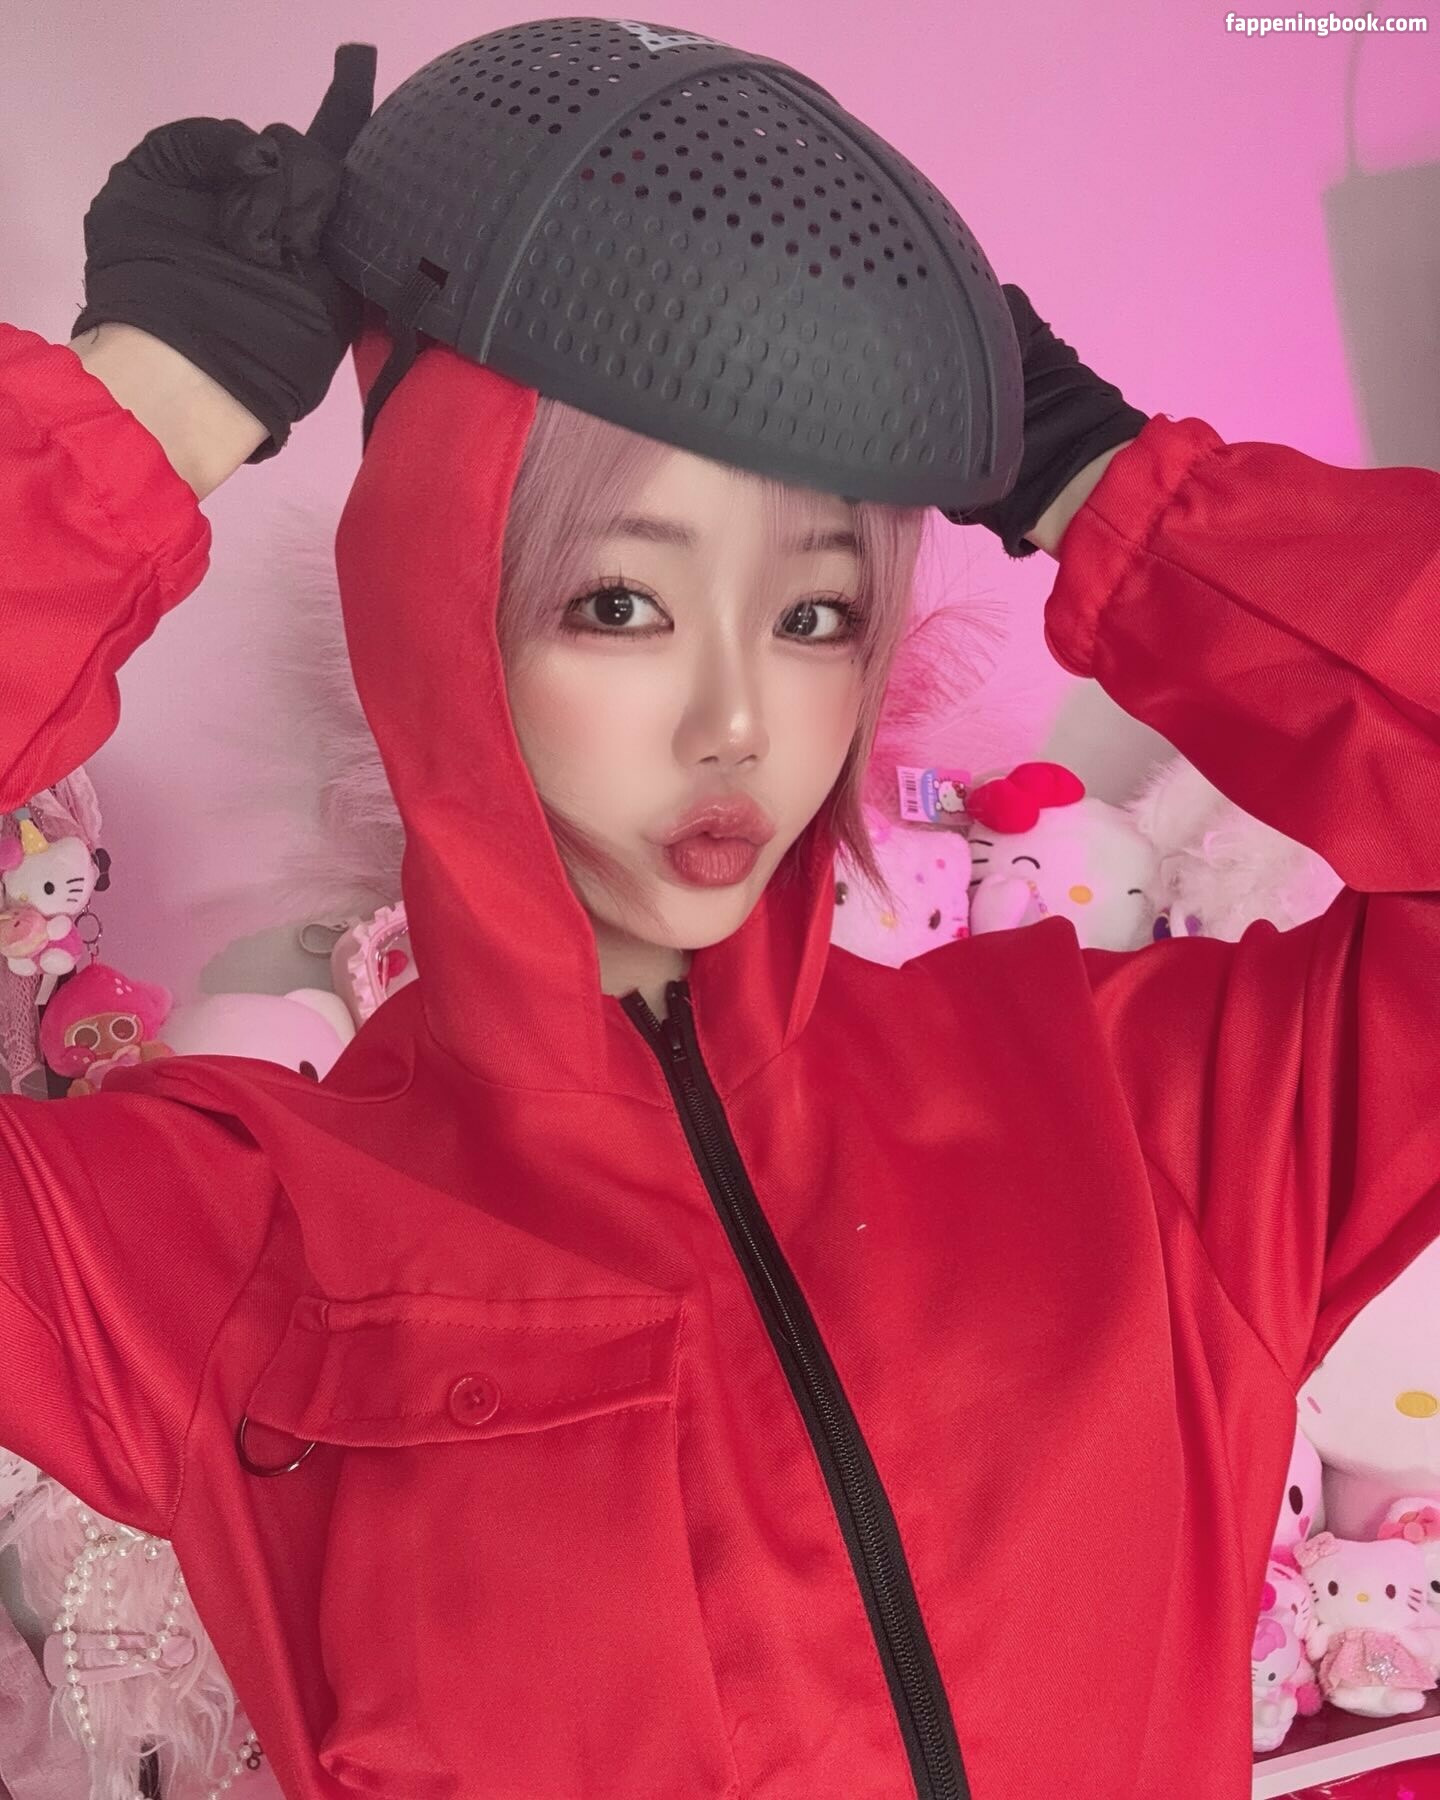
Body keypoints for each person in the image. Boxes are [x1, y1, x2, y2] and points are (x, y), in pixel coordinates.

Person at [0, 42, 1436, 1800]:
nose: (738, 723)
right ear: (442, 604)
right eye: (621, 602)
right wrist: (132, 425)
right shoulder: (232, 1241)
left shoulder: (1141, 1113)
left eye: (816, 614)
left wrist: (1108, 492)